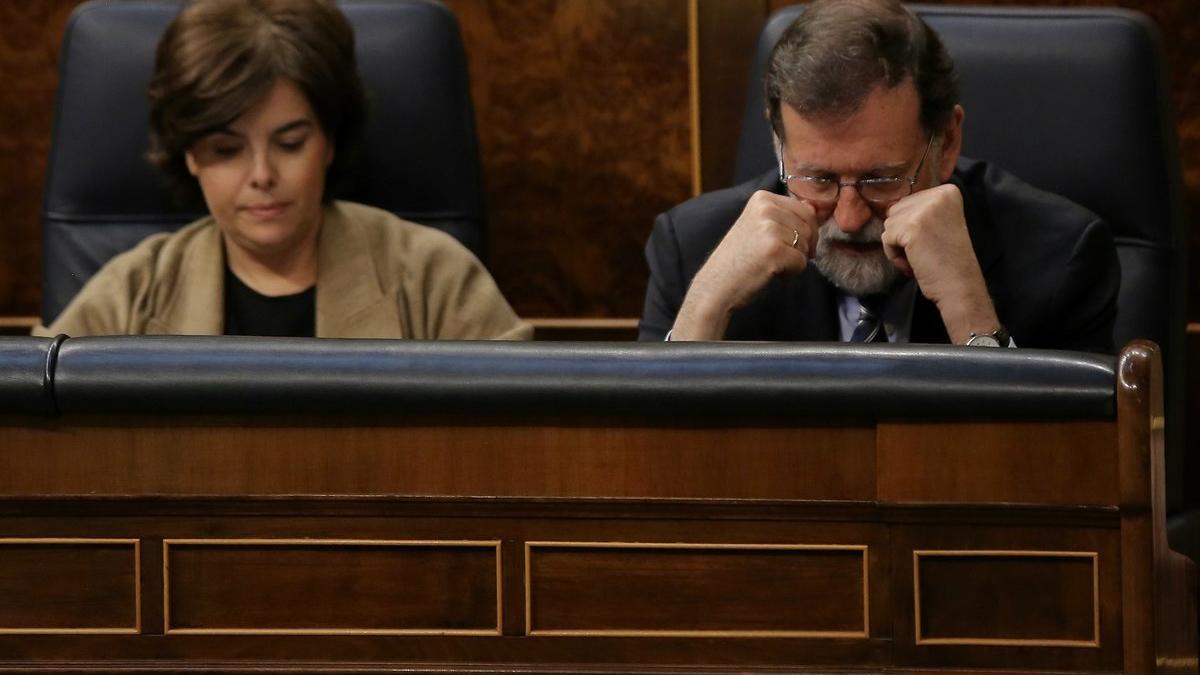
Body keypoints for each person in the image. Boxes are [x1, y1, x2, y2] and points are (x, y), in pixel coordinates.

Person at [639, 0, 1118, 351]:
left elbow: (1058, 480)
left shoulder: (1062, 259)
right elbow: (643, 474)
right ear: (779, 145)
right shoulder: (690, 246)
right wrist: (705, 307)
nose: (848, 219)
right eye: (819, 178)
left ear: (947, 142)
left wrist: (968, 310)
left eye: (880, 179)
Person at [35, 0, 530, 340]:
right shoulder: (133, 291)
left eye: (290, 143)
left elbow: (524, 428)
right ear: (189, 155)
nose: (262, 174)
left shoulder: (432, 275)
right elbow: (35, 412)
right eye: (227, 150)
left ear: (330, 140)